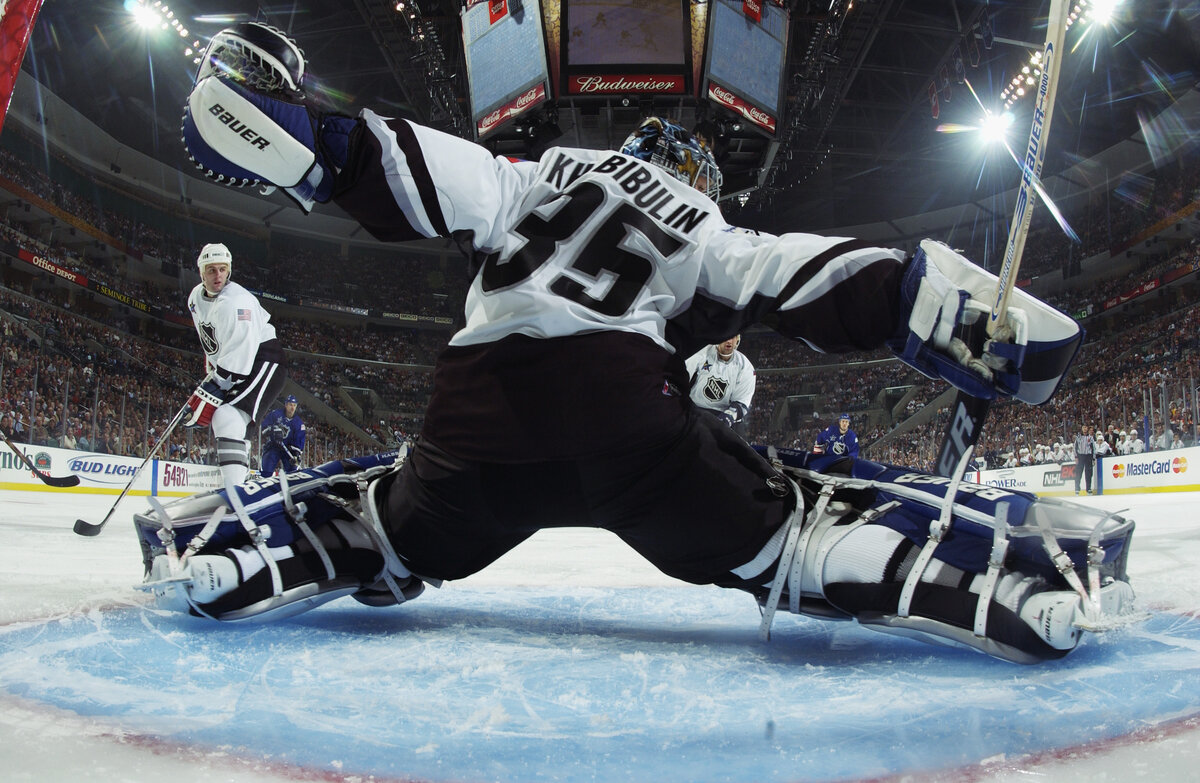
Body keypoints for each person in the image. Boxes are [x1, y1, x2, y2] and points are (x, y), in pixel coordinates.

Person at [142, 23, 1137, 664]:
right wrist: (943, 310)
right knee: (787, 532)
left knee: (398, 525)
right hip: (626, 428)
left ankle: (252, 560)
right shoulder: (704, 227)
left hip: (477, 422)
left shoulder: (533, 176)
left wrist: (309, 136)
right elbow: (811, 279)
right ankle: (961, 581)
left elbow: (405, 168)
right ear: (695, 172)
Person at [185, 242, 287, 486]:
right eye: (211, 270)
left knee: (226, 416)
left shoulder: (236, 302)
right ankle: (235, 487)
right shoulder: (194, 298)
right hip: (238, 362)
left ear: (228, 270)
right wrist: (212, 371)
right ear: (201, 273)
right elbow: (211, 340)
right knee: (234, 426)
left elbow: (239, 361)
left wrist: (215, 385)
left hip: (264, 359)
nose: (217, 275)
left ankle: (234, 493)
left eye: (222, 269)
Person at [684, 334, 755, 436]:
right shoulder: (702, 352)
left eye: (733, 337)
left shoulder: (745, 366)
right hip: (695, 409)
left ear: (737, 340)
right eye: (726, 336)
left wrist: (728, 417)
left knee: (737, 440)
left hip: (723, 413)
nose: (729, 341)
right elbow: (682, 375)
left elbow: (742, 402)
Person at [260, 394, 307, 476]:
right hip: (273, 446)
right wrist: (272, 430)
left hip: (288, 450)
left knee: (292, 473)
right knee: (267, 469)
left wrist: (296, 455)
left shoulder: (299, 424)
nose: (292, 408)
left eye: (294, 405)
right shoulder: (275, 414)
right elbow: (264, 428)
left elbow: (299, 442)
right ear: (285, 405)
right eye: (290, 405)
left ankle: (291, 486)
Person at [1073, 424, 1095, 495]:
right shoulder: (1078, 437)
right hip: (1080, 456)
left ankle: (1088, 488)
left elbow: (1093, 448)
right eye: (1083, 427)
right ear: (1082, 428)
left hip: (1088, 456)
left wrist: (1093, 458)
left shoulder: (1090, 437)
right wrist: (1076, 457)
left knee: (1088, 473)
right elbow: (1075, 447)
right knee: (1078, 473)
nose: (1085, 429)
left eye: (1086, 427)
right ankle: (1077, 488)